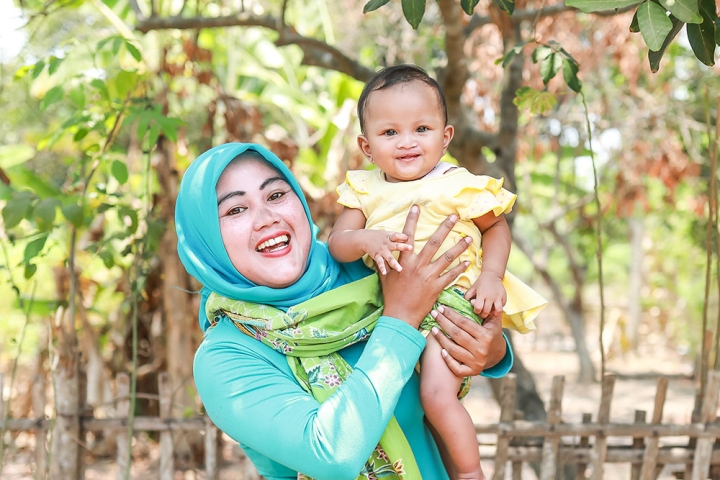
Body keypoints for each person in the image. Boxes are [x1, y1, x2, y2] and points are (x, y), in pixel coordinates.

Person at [175, 142, 514, 480]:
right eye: (235, 210)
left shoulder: (368, 264)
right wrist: (400, 318)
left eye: (276, 195)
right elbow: (331, 455)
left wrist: (489, 348)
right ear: (206, 241)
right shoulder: (225, 357)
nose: (267, 218)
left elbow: (464, 339)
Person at [328, 65, 547, 480]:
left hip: (450, 303)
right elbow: (338, 243)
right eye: (389, 133)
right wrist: (366, 239)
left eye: (421, 128)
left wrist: (491, 278)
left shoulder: (457, 183)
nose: (407, 142)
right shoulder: (364, 189)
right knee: (406, 400)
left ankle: (469, 473)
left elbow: (496, 228)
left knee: (435, 395)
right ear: (366, 145)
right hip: (391, 310)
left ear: (445, 137)